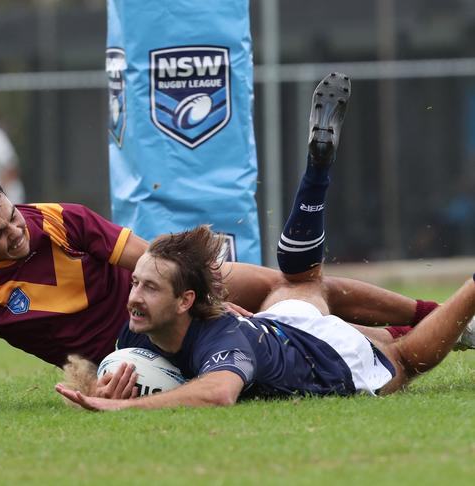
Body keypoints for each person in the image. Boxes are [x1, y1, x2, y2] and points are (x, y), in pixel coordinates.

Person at [56, 72, 475, 411]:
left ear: (185, 301)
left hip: (332, 357)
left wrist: (119, 409)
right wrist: (106, 387)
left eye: (148, 286)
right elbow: (142, 372)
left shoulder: (222, 341)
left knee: (401, 359)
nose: (132, 297)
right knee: (302, 281)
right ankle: (316, 175)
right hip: (282, 324)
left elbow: (218, 392)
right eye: (135, 283)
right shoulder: (137, 335)